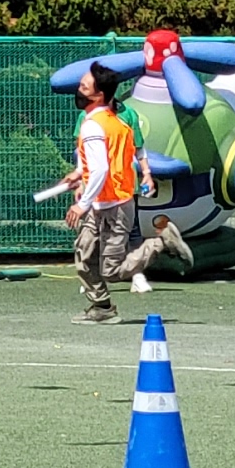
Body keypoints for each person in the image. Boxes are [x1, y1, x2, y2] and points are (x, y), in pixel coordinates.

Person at [66, 62, 144, 322]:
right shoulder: (113, 122)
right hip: (105, 201)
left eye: (84, 87)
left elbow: (101, 169)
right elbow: (100, 160)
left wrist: (82, 204)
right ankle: (103, 307)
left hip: (114, 205)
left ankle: (160, 244)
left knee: (111, 270)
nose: (78, 90)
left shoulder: (93, 125)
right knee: (84, 254)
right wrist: (79, 173)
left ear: (98, 95)